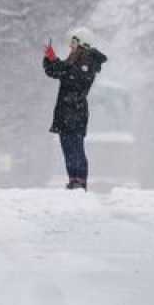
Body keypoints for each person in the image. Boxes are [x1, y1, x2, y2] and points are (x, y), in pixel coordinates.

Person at [43, 27, 106, 189]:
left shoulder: (88, 61)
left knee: (75, 147)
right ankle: (73, 179)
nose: (70, 46)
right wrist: (49, 58)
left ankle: (80, 180)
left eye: (73, 42)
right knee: (67, 148)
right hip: (66, 111)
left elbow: (74, 78)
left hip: (75, 112)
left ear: (82, 43)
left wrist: (57, 63)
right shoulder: (73, 59)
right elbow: (55, 71)